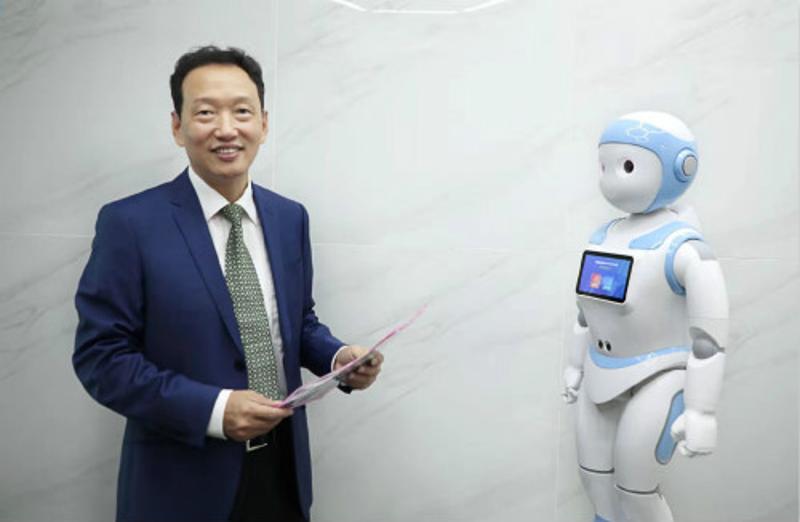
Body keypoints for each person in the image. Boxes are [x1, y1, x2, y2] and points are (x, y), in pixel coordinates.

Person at [73, 45, 383, 522]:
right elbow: (102, 358)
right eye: (205, 113)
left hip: (281, 474)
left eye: (242, 111)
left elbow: (297, 322)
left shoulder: (289, 217)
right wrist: (215, 411)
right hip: (181, 483)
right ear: (177, 126)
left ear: (264, 123)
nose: (226, 128)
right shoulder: (130, 224)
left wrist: (338, 358)